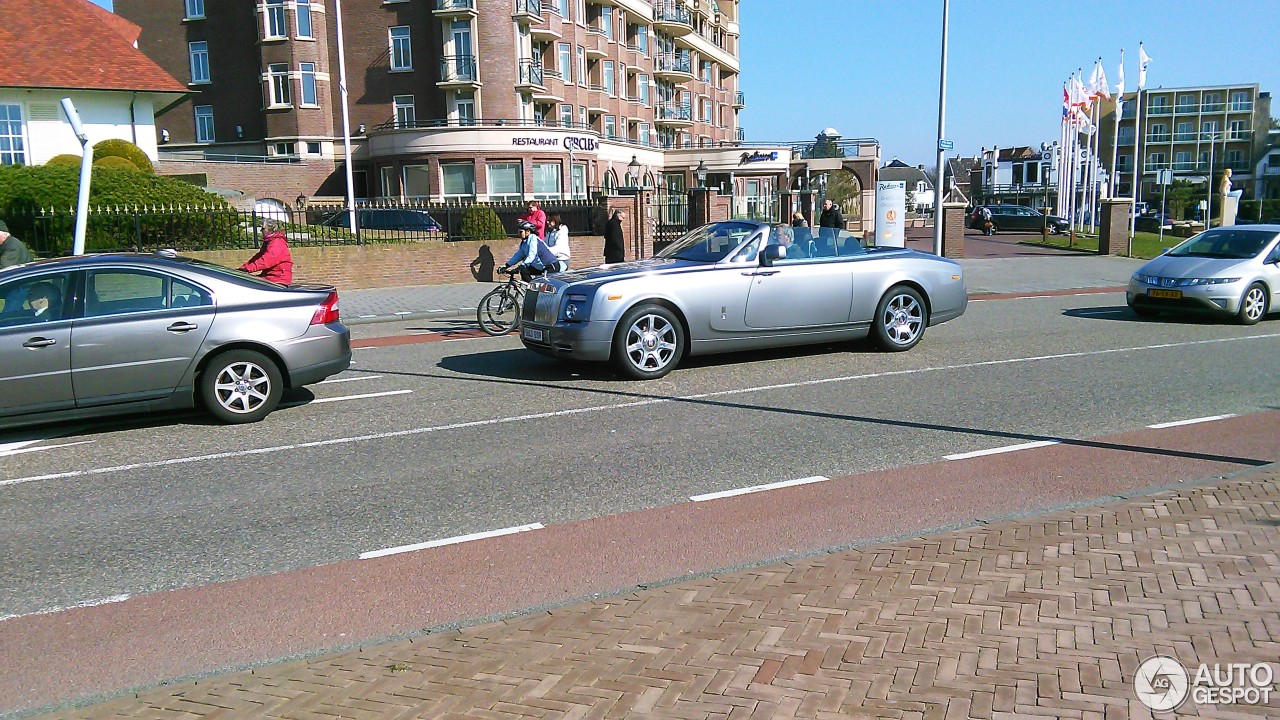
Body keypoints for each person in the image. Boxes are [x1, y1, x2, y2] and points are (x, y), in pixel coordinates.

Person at [240, 218, 294, 285]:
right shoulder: (269, 241)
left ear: (270, 230)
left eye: (263, 228)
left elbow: (268, 259)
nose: (261, 231)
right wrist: (244, 268)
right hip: (269, 277)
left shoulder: (277, 242)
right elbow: (258, 257)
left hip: (278, 279)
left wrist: (248, 269)